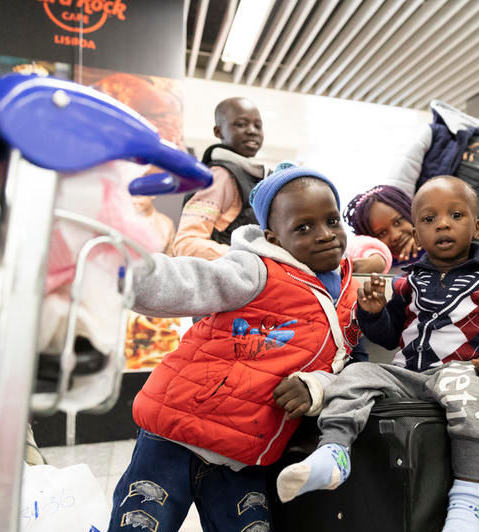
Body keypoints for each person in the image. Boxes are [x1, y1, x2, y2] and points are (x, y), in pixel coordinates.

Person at [108, 163, 364, 532]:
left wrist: (316, 385)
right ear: (274, 238)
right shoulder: (256, 271)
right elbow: (191, 281)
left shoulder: (352, 293)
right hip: (174, 433)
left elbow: (348, 364)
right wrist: (121, 272)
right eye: (303, 227)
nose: (325, 235)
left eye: (332, 220)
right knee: (141, 524)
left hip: (244, 454)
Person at [277, 176, 479, 532]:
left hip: (461, 372)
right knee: (355, 375)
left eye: (455, 215)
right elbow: (386, 335)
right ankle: (333, 453)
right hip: (408, 374)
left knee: (471, 401)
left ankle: (465, 502)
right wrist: (372, 312)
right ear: (418, 233)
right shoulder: (408, 283)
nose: (442, 224)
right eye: (429, 220)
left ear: (475, 227)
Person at [172, 97, 266, 259]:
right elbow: (186, 243)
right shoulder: (220, 175)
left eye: (258, 126)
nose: (252, 130)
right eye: (241, 124)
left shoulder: (254, 176)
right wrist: (255, 258)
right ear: (218, 131)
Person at [343, 184, 423, 270]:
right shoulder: (379, 263)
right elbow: (356, 244)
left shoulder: (432, 244)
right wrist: (377, 260)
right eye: (382, 233)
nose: (396, 235)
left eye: (398, 222)